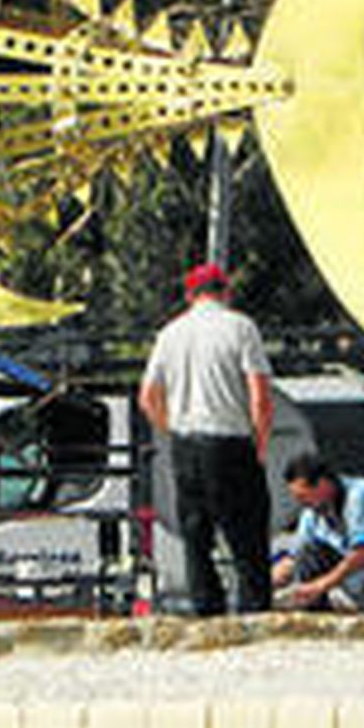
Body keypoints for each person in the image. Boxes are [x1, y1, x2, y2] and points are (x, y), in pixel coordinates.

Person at [138, 262, 275, 616]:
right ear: (225, 292)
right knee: (247, 534)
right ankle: (253, 609)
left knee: (196, 536)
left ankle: (206, 609)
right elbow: (259, 393)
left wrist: (172, 429)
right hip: (230, 440)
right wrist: (260, 442)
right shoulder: (241, 327)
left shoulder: (170, 333)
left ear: (189, 296)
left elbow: (148, 396)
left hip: (186, 443)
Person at [272, 452, 364, 613]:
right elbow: (297, 554)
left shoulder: (360, 495)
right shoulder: (312, 510)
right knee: (308, 552)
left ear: (322, 484)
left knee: (356, 587)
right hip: (347, 566)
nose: (301, 502)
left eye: (303, 496)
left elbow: (363, 555)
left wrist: (320, 585)